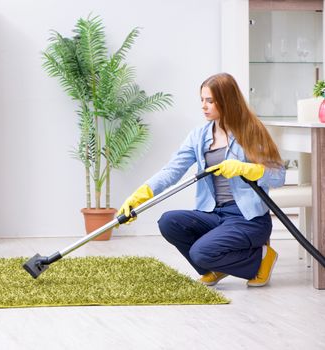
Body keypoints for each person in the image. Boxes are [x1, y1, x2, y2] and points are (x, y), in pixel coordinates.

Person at [118, 72, 285, 287]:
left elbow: (278, 176)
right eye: (202, 100)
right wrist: (139, 196)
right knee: (169, 222)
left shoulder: (251, 132)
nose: (203, 106)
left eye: (210, 101)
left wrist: (247, 169)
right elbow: (172, 171)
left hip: (247, 218)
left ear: (227, 101)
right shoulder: (198, 136)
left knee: (200, 252)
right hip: (214, 214)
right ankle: (214, 266)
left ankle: (261, 258)